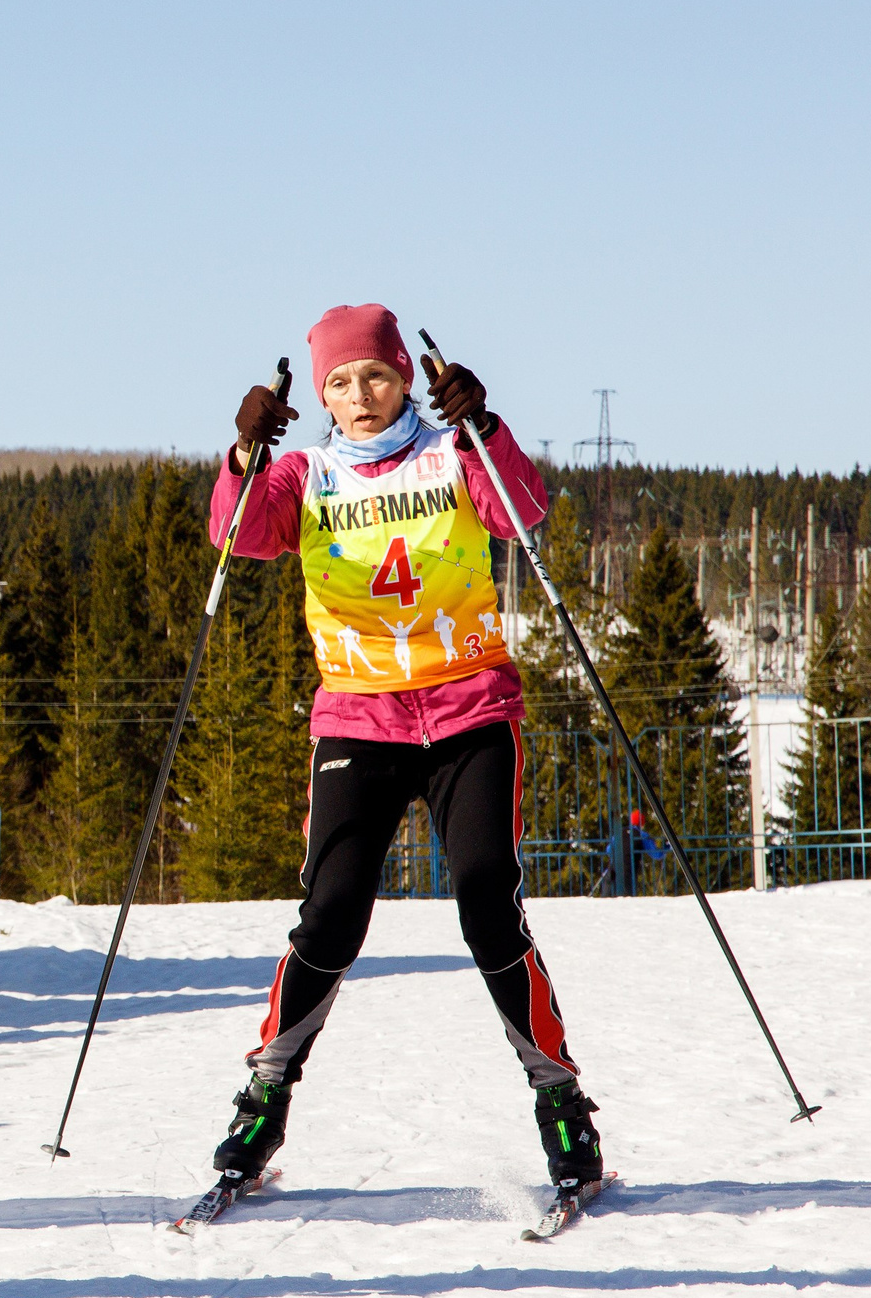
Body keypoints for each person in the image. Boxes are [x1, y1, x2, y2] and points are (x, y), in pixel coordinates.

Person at [201, 303, 603, 1202]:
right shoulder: (303, 472)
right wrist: (242, 457)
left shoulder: (451, 450)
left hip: (468, 708)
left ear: (405, 376)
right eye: (339, 383)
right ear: (320, 397)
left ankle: (560, 1097)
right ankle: (265, 1094)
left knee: (486, 900)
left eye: (375, 375)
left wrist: (484, 427)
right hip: (358, 717)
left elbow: (521, 512)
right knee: (332, 910)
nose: (361, 395)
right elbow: (238, 535)